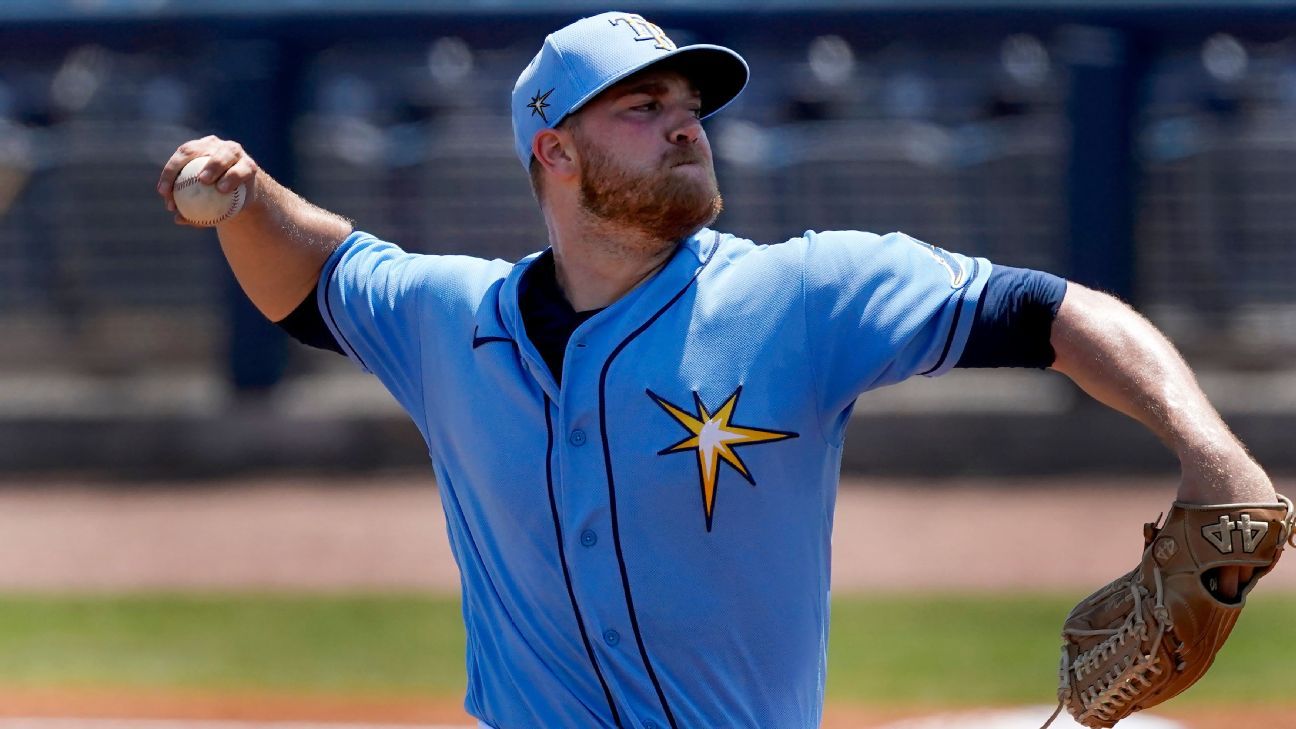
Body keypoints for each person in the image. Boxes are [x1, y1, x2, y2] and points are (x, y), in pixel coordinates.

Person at [156, 11, 1276, 729]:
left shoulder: (804, 292)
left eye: (690, 109)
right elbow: (318, 278)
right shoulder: (452, 321)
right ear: (554, 152)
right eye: (642, 109)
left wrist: (1213, 456)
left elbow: (1051, 311)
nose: (685, 128)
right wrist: (248, 190)